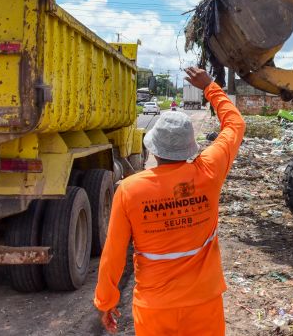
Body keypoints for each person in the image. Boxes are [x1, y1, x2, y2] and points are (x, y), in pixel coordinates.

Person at [94, 66, 245, 336]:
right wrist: (210, 86)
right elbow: (235, 125)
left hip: (155, 307)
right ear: (189, 147)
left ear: (153, 148)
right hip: (204, 302)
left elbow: (113, 254)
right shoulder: (208, 172)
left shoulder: (130, 190)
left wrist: (106, 301)